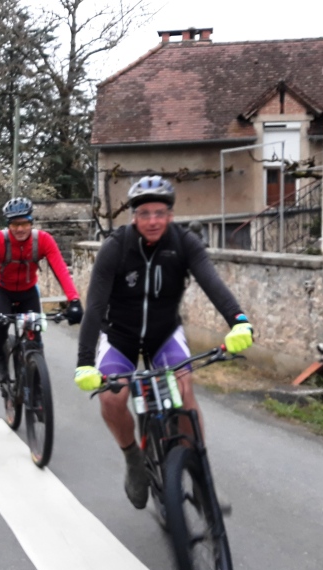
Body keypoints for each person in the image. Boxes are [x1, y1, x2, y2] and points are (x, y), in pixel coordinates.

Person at [71, 175, 254, 510]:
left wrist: (238, 321)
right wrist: (84, 362)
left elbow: (212, 282)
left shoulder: (184, 243)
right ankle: (133, 460)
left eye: (159, 213)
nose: (152, 220)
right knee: (112, 398)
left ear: (171, 215)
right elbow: (95, 307)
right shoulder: (116, 247)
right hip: (120, 336)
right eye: (144, 213)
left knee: (183, 390)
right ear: (133, 217)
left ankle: (201, 477)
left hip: (164, 334)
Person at [0, 197, 84, 384]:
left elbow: (61, 270)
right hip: (2, 290)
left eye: (24, 223)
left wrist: (74, 300)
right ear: (8, 225)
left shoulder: (43, 240)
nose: (20, 229)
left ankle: (36, 383)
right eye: (15, 224)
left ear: (31, 222)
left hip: (28, 291)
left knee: (35, 336)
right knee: (0, 325)